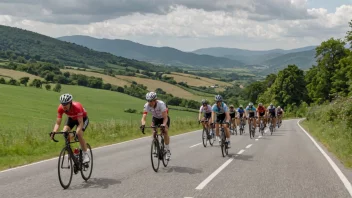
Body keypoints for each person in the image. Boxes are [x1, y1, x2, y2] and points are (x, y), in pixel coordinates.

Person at [51, 93, 90, 163]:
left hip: (83, 119)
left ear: (70, 103)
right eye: (62, 104)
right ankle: (70, 153)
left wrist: (77, 132)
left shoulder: (77, 106)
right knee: (65, 132)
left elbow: (80, 123)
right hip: (72, 118)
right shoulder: (60, 108)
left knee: (79, 134)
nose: (64, 106)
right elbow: (57, 123)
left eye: (66, 104)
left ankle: (85, 154)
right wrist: (54, 131)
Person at [140, 92, 171, 160]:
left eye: (151, 101)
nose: (149, 103)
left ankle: (167, 150)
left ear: (155, 100)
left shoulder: (161, 104)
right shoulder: (147, 105)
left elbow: (165, 118)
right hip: (155, 118)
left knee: (165, 131)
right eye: (148, 101)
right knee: (154, 131)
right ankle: (156, 147)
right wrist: (143, 124)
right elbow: (144, 117)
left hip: (164, 118)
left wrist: (163, 124)